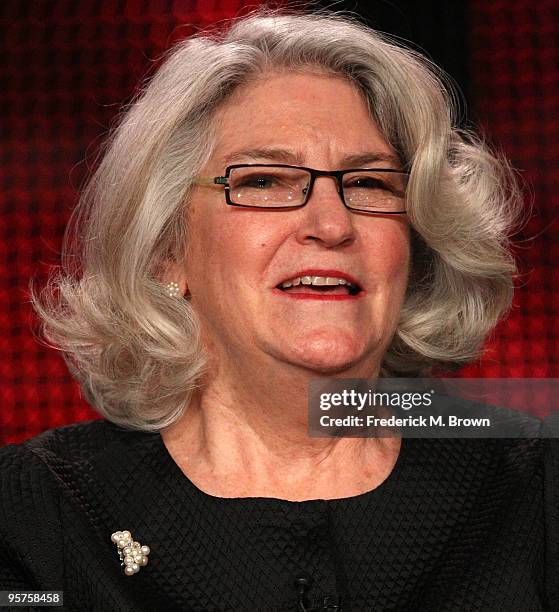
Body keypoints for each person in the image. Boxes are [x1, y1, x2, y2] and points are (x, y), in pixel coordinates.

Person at [1, 9, 557, 611]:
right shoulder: (37, 512)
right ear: (166, 249)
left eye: (371, 184)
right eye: (264, 181)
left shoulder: (537, 488)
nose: (331, 225)